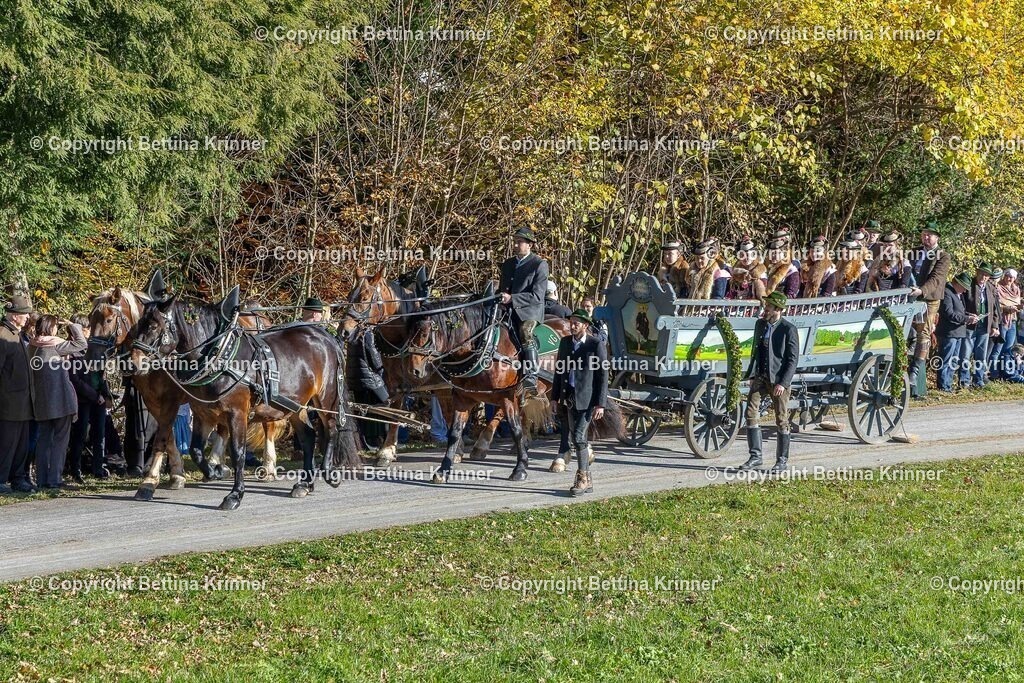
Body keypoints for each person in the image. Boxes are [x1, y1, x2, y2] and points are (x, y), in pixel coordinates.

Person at [738, 291, 799, 473]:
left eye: (769, 307)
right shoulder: (760, 325)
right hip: (761, 376)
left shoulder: (788, 329)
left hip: (778, 380)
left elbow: (792, 359)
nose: (766, 309)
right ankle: (755, 457)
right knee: (750, 412)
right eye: (766, 306)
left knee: (781, 418)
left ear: (778, 309)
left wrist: (783, 383)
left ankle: (781, 461)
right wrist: (752, 374)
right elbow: (756, 351)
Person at [550, 309, 608, 497]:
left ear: (585, 325)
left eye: (576, 323)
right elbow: (559, 372)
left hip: (588, 399)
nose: (572, 326)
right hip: (569, 397)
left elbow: (602, 375)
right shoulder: (565, 343)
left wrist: (601, 404)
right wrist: (554, 398)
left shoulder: (595, 344)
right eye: (571, 322)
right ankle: (588, 480)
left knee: (578, 437)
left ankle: (582, 478)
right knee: (576, 438)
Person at [28, 315, 87, 489]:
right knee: (60, 441)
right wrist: (72, 325)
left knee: (44, 441)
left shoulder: (32, 346)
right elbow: (81, 344)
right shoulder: (56, 345)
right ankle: (55, 479)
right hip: (61, 401)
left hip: (41, 402)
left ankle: (42, 479)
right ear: (51, 328)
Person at [498, 226, 549, 398]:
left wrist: (512, 298)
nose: (516, 245)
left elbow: (537, 296)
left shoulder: (539, 264)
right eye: (516, 241)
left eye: (520, 242)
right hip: (506, 309)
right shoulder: (508, 264)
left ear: (530, 245)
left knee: (525, 332)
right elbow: (503, 288)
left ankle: (531, 375)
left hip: (529, 311)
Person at [906, 221, 951, 392]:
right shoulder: (914, 252)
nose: (925, 237)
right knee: (906, 329)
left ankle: (915, 371)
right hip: (910, 294)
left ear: (937, 237)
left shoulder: (943, 256)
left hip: (929, 298)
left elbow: (937, 279)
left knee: (923, 331)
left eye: (929, 235)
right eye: (924, 234)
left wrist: (921, 291)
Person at [68, 312, 111, 482]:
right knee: (79, 436)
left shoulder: (94, 350)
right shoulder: (72, 352)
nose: (89, 332)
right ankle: (75, 469)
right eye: (86, 329)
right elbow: (76, 380)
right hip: (83, 399)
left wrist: (105, 395)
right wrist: (95, 396)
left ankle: (98, 468)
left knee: (99, 435)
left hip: (98, 398)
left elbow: (102, 376)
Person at [0, 295, 36, 493]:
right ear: (15, 316)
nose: (27, 316)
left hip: (22, 402)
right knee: (6, 444)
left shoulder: (17, 335)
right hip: (8, 403)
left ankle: (18, 478)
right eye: (24, 314)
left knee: (21, 444)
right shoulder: (3, 336)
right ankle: (1, 479)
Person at [960, 262, 999, 389]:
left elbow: (995, 309)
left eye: (986, 275)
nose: (984, 277)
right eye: (982, 273)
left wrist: (995, 326)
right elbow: (961, 305)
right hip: (970, 325)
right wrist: (967, 317)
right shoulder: (969, 285)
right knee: (966, 354)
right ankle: (964, 381)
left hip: (984, 326)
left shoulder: (991, 288)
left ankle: (978, 380)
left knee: (981, 356)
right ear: (977, 272)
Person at [935, 272, 972, 392]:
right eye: (964, 287)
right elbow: (949, 314)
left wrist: (968, 315)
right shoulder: (947, 293)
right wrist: (967, 319)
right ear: (957, 283)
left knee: (954, 360)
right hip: (949, 332)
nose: (965, 291)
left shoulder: (958, 294)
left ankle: (948, 384)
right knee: (946, 359)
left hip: (959, 332)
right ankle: (943, 385)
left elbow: (959, 312)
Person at [994, 269, 1021, 379]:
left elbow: (1017, 303)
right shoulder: (998, 288)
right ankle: (995, 373)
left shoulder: (1016, 290)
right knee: (998, 349)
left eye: (1012, 277)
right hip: (1002, 321)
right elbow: (996, 305)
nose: (1009, 279)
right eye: (1008, 276)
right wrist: (1006, 308)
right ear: (1004, 276)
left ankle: (1007, 373)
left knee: (1009, 349)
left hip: (1013, 321)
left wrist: (1017, 307)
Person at [728, 235, 767, 301]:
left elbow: (765, 293)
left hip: (754, 307)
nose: (745, 258)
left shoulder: (761, 273)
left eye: (748, 255)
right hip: (737, 306)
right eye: (742, 255)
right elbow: (731, 293)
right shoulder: (736, 272)